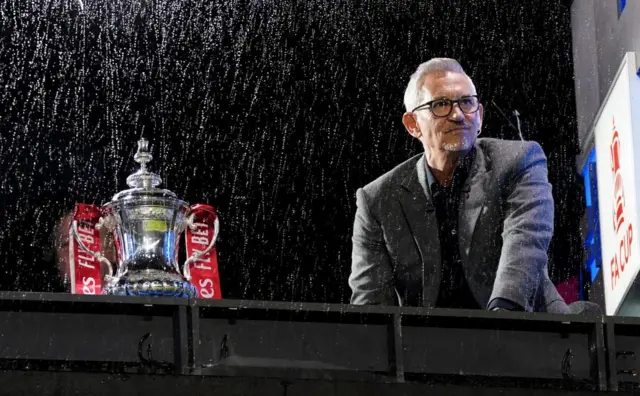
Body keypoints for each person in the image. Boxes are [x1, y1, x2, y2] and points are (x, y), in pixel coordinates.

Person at [348, 58, 570, 313]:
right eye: (440, 104)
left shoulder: (518, 161)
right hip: (429, 344)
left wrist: (503, 320)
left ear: (480, 117)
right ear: (413, 124)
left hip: (525, 330)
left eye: (466, 102)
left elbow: (526, 241)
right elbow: (371, 304)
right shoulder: (377, 200)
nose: (457, 115)